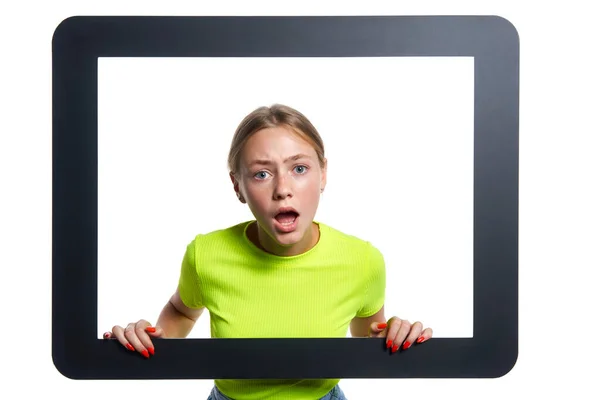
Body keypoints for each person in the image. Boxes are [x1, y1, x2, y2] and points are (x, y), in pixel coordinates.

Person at [105, 104, 433, 400]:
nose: (282, 189)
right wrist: (152, 339)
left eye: (299, 169)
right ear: (238, 187)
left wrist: (393, 334)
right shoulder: (205, 254)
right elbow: (182, 310)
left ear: (324, 174)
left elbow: (367, 336)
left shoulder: (362, 260)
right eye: (262, 174)